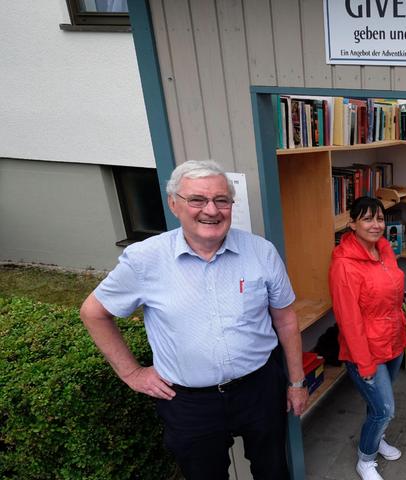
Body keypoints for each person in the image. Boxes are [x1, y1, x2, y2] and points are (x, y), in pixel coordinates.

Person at [79, 160, 308, 479]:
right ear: (174, 203)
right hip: (188, 402)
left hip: (259, 390)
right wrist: (132, 373)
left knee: (273, 471)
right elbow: (94, 312)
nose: (211, 210)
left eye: (221, 200)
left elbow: (285, 320)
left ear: (231, 204)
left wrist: (296, 383)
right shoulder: (145, 260)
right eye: (197, 200)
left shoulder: (261, 252)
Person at [329, 196, 406, 480]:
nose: (376, 225)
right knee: (385, 409)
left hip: (393, 341)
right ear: (352, 224)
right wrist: (364, 363)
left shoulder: (384, 250)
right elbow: (349, 321)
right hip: (366, 351)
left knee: (376, 405)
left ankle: (377, 438)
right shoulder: (345, 265)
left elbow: (392, 297)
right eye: (367, 219)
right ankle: (366, 458)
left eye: (380, 219)